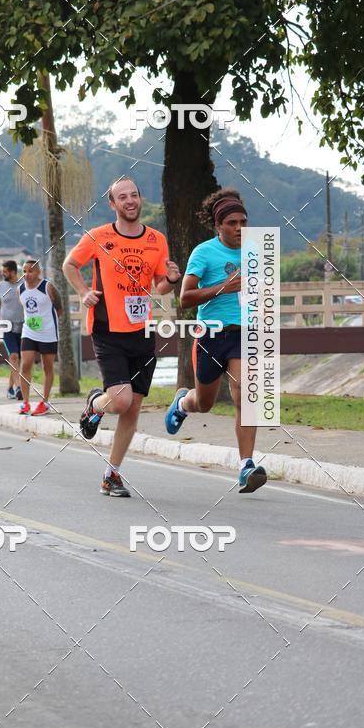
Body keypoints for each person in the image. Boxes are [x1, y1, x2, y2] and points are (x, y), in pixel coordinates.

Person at [63, 177, 180, 497]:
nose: (129, 201)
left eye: (134, 196)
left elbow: (160, 286)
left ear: (140, 200)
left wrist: (171, 279)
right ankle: (94, 406)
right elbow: (70, 264)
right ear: (112, 205)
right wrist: (84, 291)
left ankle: (111, 474)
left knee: (132, 408)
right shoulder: (99, 236)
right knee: (120, 399)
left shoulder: (157, 240)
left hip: (142, 331)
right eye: (122, 197)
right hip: (108, 330)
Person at [164, 187, 267, 494]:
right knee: (204, 403)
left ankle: (246, 465)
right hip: (211, 335)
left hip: (243, 334)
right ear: (218, 225)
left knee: (246, 395)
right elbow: (185, 298)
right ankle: (184, 402)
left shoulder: (257, 251)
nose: (239, 228)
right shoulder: (204, 252)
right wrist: (224, 287)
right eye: (232, 223)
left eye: (243, 222)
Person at [17, 259, 61, 416]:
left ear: (38, 272)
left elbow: (59, 307)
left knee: (47, 366)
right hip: (29, 331)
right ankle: (25, 402)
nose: (27, 274)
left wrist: (50, 323)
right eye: (24, 271)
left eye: (30, 271)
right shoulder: (20, 289)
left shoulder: (47, 287)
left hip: (48, 332)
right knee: (26, 364)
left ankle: (44, 402)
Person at [0, 260, 24, 400]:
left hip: (23, 326)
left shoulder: (24, 284)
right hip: (6, 327)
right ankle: (19, 387)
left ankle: (9, 388)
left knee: (17, 359)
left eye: (5, 271)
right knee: (14, 356)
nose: (3, 274)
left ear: (13, 271)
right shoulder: (1, 286)